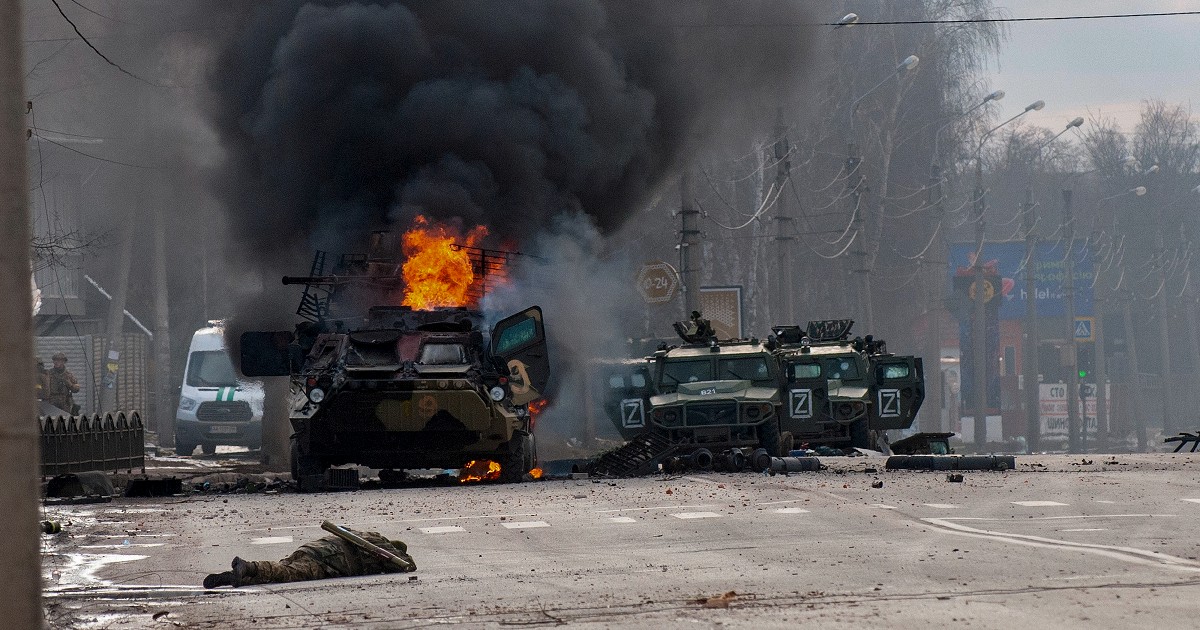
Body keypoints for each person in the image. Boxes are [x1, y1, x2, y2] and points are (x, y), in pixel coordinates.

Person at [203, 527, 416, 588]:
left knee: (282, 569)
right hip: (330, 560)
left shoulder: (368, 536)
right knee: (288, 573)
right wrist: (401, 556)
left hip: (314, 549)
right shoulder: (384, 550)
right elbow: (409, 566)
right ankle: (248, 567)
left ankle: (235, 577)